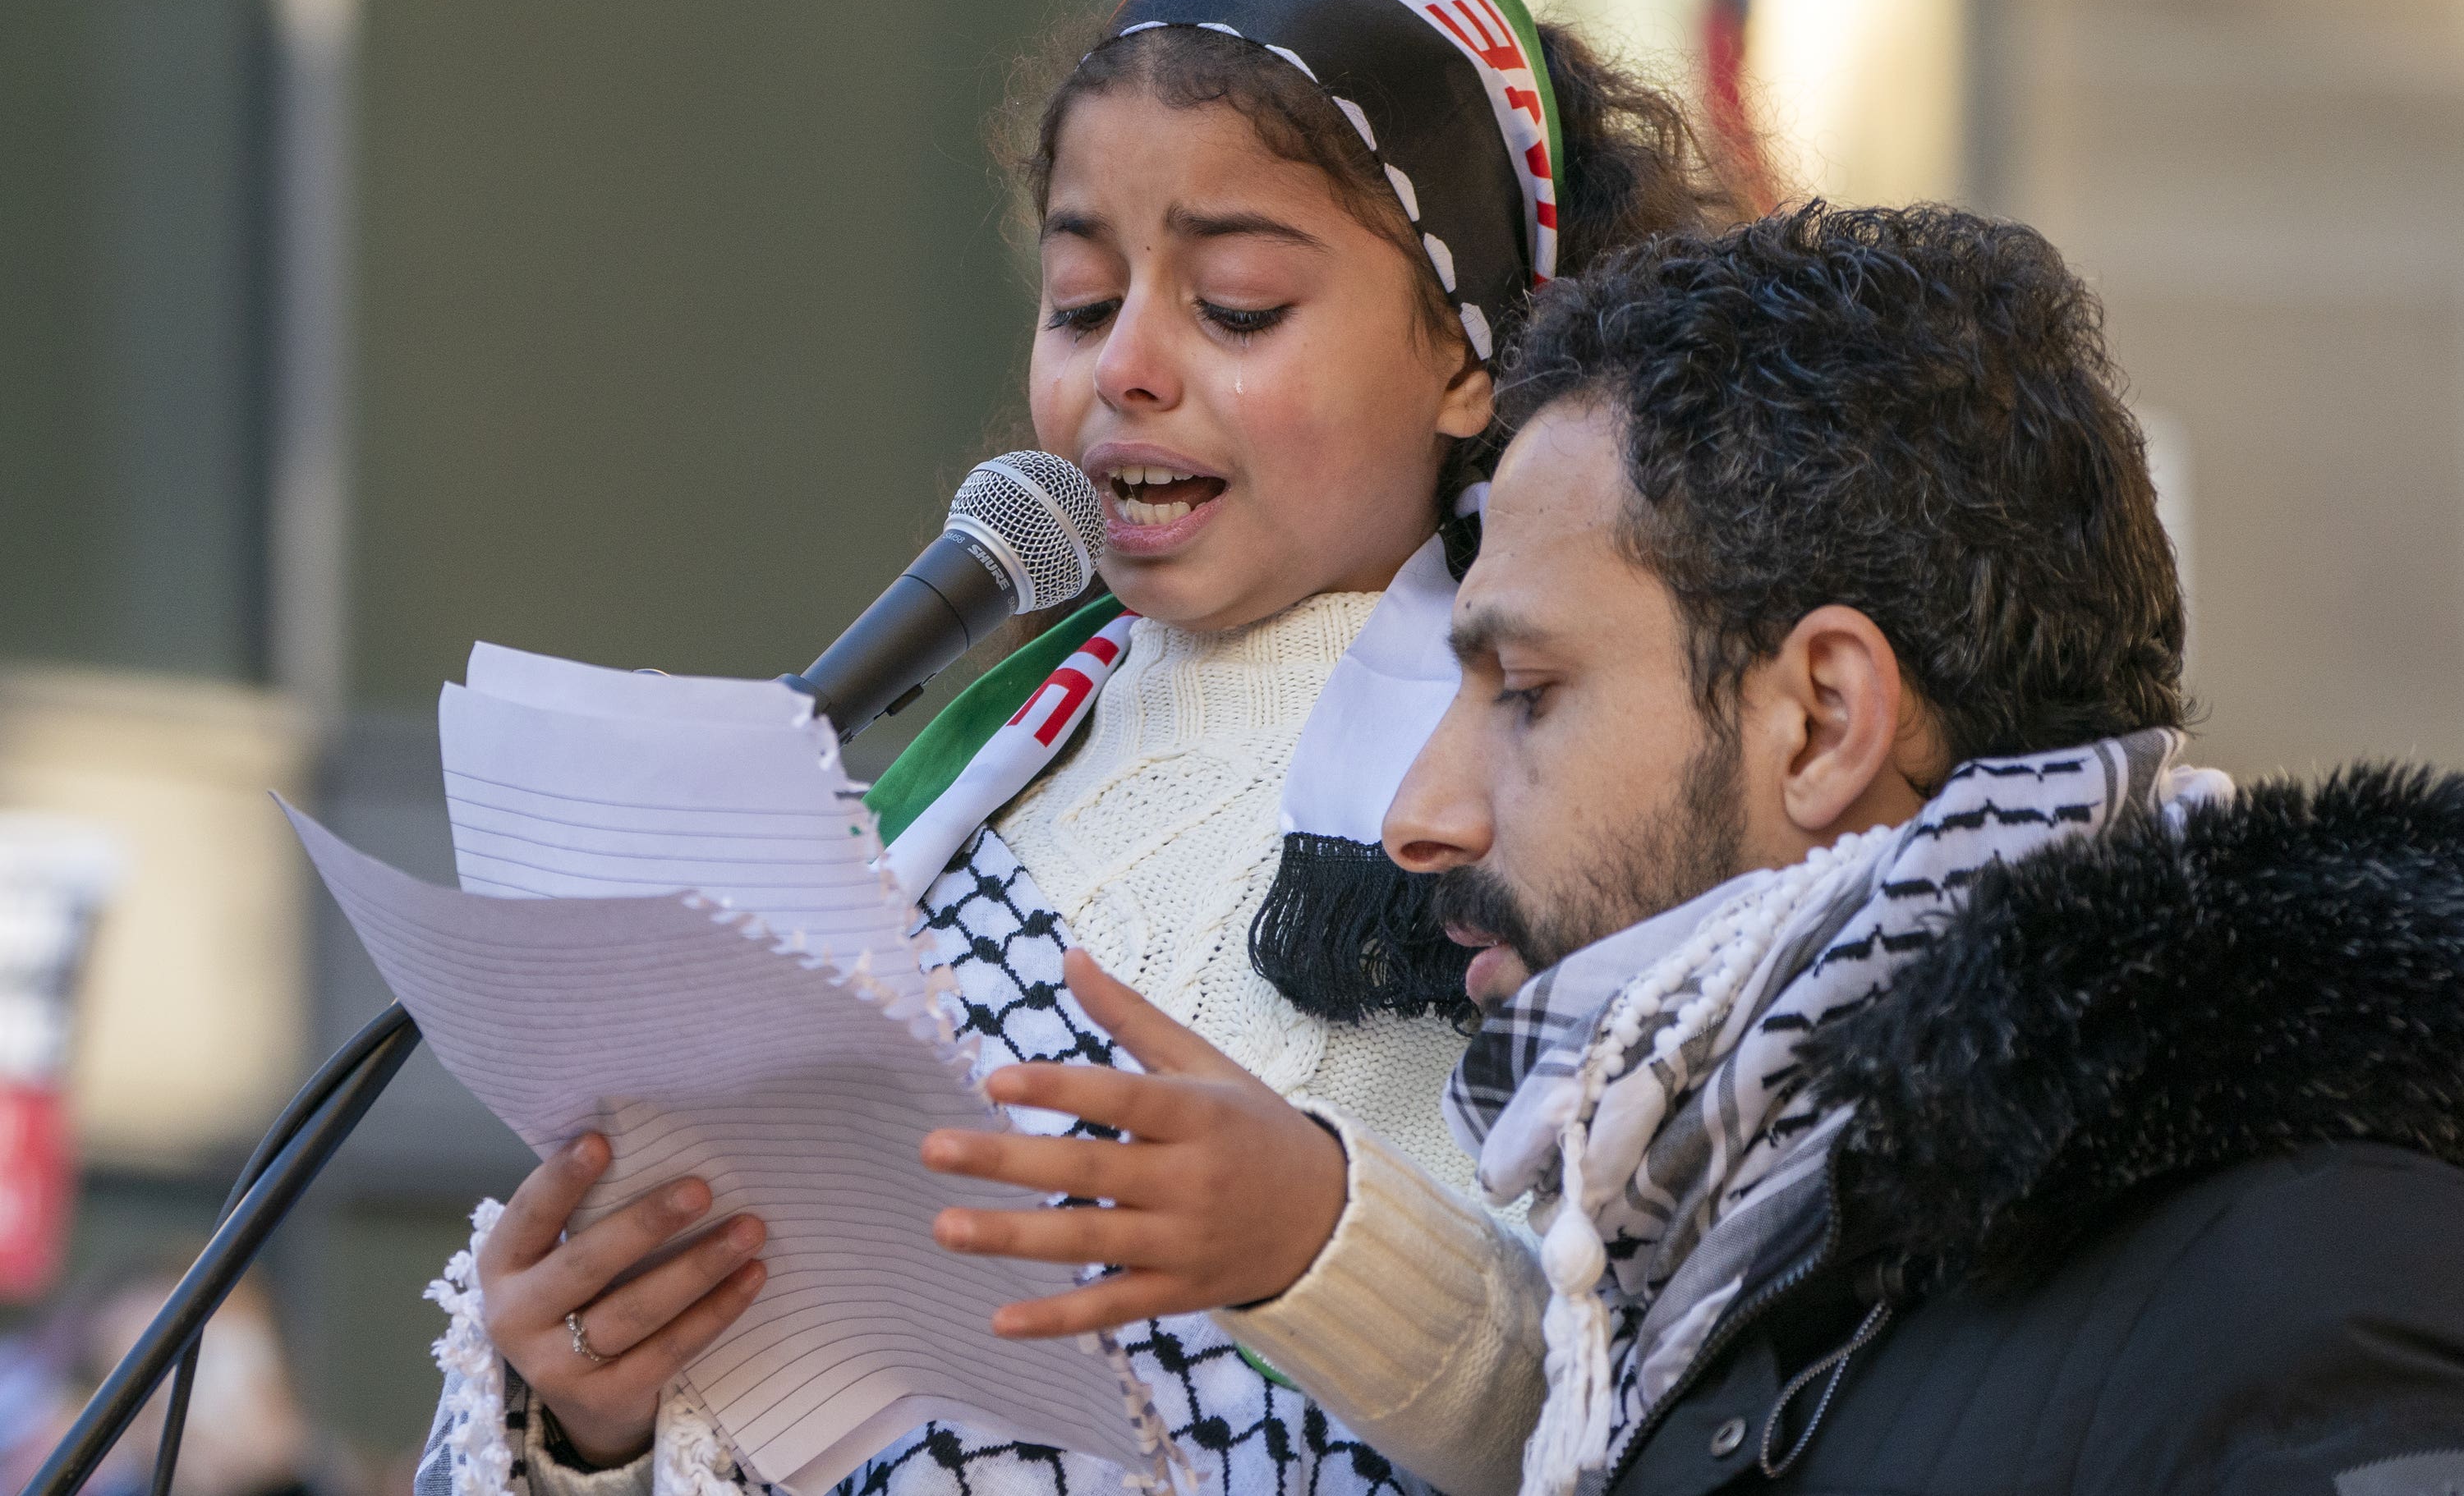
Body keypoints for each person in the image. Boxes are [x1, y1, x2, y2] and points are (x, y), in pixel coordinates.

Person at [413, 0, 1740, 1496]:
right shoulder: (971, 789)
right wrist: (590, 1413)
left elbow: (1655, 1386)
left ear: (1477, 354)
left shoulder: (1583, 773)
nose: (1129, 366)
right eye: (1082, 299)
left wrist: (1317, 1241)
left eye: (1236, 302)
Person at [926, 204, 2464, 1495]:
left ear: (1823, 719)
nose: (1419, 815)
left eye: (1527, 694)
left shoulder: (2299, 1285)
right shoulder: (1723, 1284)